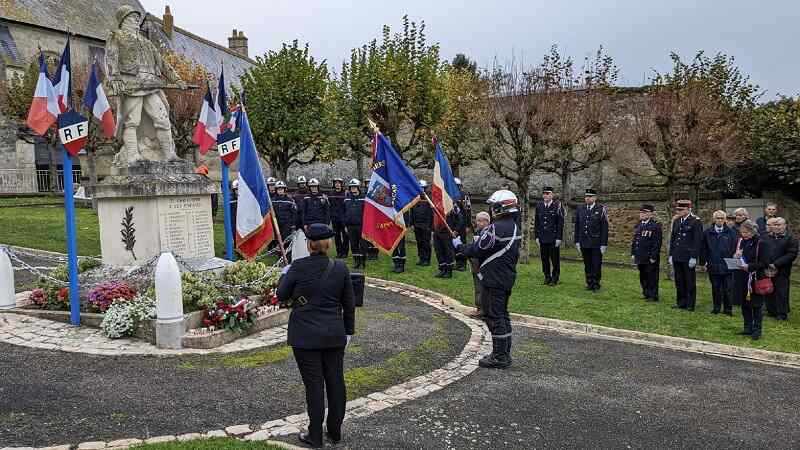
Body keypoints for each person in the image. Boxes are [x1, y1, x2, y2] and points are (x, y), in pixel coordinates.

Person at [276, 223, 355, 448]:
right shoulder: (340, 268)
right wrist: (348, 332)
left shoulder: (297, 267)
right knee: (336, 382)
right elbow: (349, 304)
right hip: (333, 333)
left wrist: (285, 275)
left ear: (309, 244)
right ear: (328, 244)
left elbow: (281, 295)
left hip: (306, 335)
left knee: (314, 385)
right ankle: (335, 432)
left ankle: (315, 436)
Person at [453, 190, 521, 369]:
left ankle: (499, 357)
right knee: (503, 316)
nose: (491, 209)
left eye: (493, 206)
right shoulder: (514, 226)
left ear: (500, 207)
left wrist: (459, 246)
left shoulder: (495, 228)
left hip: (493, 279)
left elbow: (478, 249)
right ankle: (503, 353)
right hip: (506, 277)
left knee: (494, 317)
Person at [731, 220, 770, 340]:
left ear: (753, 231)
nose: (744, 234)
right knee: (745, 304)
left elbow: (765, 262)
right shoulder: (742, 242)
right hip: (742, 278)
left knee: (756, 305)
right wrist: (736, 257)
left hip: (755, 278)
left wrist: (750, 266)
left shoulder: (761, 243)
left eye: (746, 232)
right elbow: (739, 257)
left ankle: (757, 329)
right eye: (742, 232)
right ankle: (747, 327)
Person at [668, 200, 703, 311]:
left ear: (688, 209)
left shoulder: (695, 221)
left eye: (681, 209)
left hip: (688, 257)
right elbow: (673, 239)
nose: (679, 211)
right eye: (678, 209)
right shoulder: (677, 221)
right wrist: (671, 254)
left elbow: (697, 241)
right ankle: (681, 302)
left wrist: (694, 257)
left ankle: (690, 304)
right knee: (679, 281)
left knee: (689, 281)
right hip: (677, 255)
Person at [700, 210, 737, 315]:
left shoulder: (731, 233)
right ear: (714, 219)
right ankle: (716, 308)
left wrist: (735, 261)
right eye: (718, 218)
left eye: (722, 218)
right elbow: (703, 248)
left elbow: (735, 248)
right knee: (716, 288)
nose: (720, 220)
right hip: (713, 264)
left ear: (725, 220)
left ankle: (728, 309)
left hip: (727, 265)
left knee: (727, 289)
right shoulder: (707, 233)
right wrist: (703, 262)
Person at [574, 189, 608, 293]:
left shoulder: (601, 209)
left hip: (596, 243)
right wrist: (577, 241)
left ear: (595, 198)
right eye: (586, 196)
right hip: (584, 242)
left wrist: (603, 244)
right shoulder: (580, 208)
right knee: (587, 264)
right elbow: (577, 226)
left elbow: (604, 228)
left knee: (596, 264)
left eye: (590, 196)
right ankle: (589, 282)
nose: (587, 198)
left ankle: (596, 283)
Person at [763, 217, 798, 320]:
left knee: (781, 292)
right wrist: (766, 262)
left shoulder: (790, 238)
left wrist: (776, 264)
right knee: (769, 291)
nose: (776, 227)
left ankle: (782, 314)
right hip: (767, 269)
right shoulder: (766, 237)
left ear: (785, 225)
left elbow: (792, 254)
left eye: (779, 225)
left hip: (782, 270)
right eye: (775, 225)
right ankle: (772, 311)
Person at [631, 204, 662, 302]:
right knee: (643, 275)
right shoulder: (639, 224)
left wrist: (653, 256)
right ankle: (646, 293)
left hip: (649, 256)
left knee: (652, 276)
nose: (642, 214)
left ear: (651, 214)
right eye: (641, 212)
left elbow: (657, 243)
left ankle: (653, 295)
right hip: (640, 255)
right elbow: (635, 240)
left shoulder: (655, 226)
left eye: (644, 212)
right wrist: (633, 253)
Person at [534, 186, 565, 286]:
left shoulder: (557, 206)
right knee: (544, 258)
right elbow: (537, 222)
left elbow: (560, 223)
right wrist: (537, 236)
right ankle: (547, 276)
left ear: (552, 195)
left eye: (548, 194)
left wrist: (559, 238)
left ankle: (555, 278)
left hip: (553, 238)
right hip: (542, 237)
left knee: (554, 259)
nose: (546, 195)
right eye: (545, 193)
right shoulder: (539, 206)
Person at [468, 211, 491, 318]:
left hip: (484, 265)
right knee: (477, 286)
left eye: (481, 221)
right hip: (475, 263)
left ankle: (483, 308)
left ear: (487, 222)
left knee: (483, 287)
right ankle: (479, 306)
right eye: (477, 221)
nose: (479, 223)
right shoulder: (477, 232)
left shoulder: (489, 233)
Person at [432, 201, 463, 279]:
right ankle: (442, 269)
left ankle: (449, 271)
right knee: (438, 251)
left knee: (448, 251)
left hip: (447, 231)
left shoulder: (451, 204)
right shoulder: (435, 202)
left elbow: (460, 219)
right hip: (437, 230)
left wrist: (456, 230)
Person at [343, 179, 366, 270]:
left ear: (358, 188)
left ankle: (363, 261)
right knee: (353, 244)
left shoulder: (363, 198)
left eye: (355, 187)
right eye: (351, 187)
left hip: (361, 225)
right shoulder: (347, 198)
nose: (353, 189)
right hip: (350, 225)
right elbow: (344, 212)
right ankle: (356, 261)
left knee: (362, 244)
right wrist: (345, 224)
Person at [410, 181, 434, 266]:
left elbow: (431, 214)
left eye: (423, 188)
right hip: (417, 224)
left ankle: (427, 259)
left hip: (426, 225)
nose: (421, 190)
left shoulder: (429, 199)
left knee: (426, 243)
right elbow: (412, 211)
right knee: (419, 242)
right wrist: (411, 223)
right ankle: (421, 258)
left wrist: (430, 226)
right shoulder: (415, 198)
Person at [273, 181, 298, 253]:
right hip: (277, 225)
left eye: (281, 189)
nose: (280, 191)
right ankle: (280, 256)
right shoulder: (273, 201)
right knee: (278, 242)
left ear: (285, 189)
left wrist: (293, 225)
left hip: (287, 225)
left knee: (287, 241)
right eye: (278, 189)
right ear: (276, 190)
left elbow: (294, 214)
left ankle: (288, 256)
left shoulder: (290, 201)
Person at [453, 177, 471, 271]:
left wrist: (468, 225)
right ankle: (457, 262)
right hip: (454, 224)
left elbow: (468, 211)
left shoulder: (464, 196)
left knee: (462, 244)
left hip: (463, 224)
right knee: (455, 244)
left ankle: (463, 264)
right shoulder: (450, 195)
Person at [328, 178, 349, 258]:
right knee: (337, 236)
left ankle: (345, 252)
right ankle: (339, 252)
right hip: (335, 218)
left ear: (341, 184)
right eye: (335, 183)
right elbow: (329, 205)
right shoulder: (331, 193)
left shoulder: (346, 193)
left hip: (343, 218)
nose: (337, 184)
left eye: (339, 183)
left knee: (345, 236)